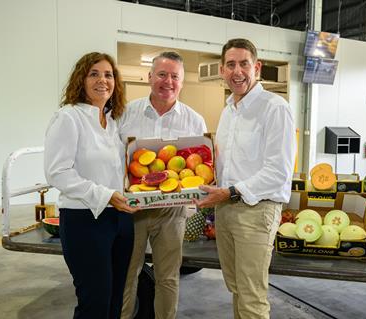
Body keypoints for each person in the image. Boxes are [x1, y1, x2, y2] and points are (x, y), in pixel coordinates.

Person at [194, 39, 296, 319]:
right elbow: (225, 165)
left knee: (252, 296)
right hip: (225, 210)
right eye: (230, 64)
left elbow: (278, 171)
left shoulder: (274, 107)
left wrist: (229, 193)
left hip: (256, 210)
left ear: (257, 67)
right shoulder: (228, 111)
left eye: (244, 64)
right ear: (222, 70)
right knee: (237, 288)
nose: (237, 71)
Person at [44, 52, 140, 319]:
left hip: (120, 219)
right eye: (94, 74)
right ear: (81, 79)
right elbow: (58, 173)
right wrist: (106, 195)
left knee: (113, 300)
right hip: (84, 220)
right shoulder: (68, 117)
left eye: (108, 75)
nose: (103, 80)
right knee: (94, 302)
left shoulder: (110, 122)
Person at [119, 51, 207, 319]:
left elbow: (202, 168)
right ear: (149, 77)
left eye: (174, 76)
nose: (168, 81)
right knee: (127, 274)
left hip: (173, 211)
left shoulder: (194, 120)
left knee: (168, 276)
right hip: (131, 209)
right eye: (162, 74)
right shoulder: (125, 113)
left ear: (182, 82)